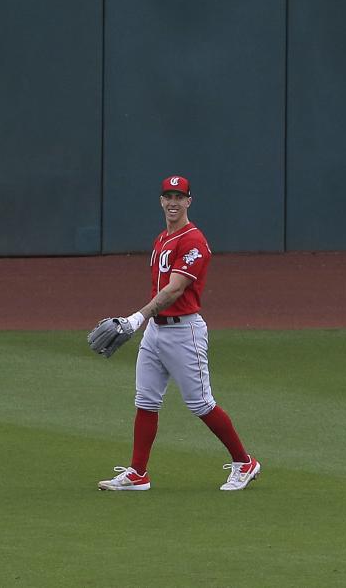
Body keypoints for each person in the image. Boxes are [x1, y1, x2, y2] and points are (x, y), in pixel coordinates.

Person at [97, 175, 260, 492]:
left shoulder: (194, 242)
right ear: (161, 200)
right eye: (168, 196)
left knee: (201, 404)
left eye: (179, 197)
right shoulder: (162, 238)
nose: (173, 202)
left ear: (189, 201)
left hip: (185, 332)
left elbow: (174, 290)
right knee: (145, 401)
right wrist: (145, 323)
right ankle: (138, 473)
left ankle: (244, 462)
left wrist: (135, 319)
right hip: (157, 332)